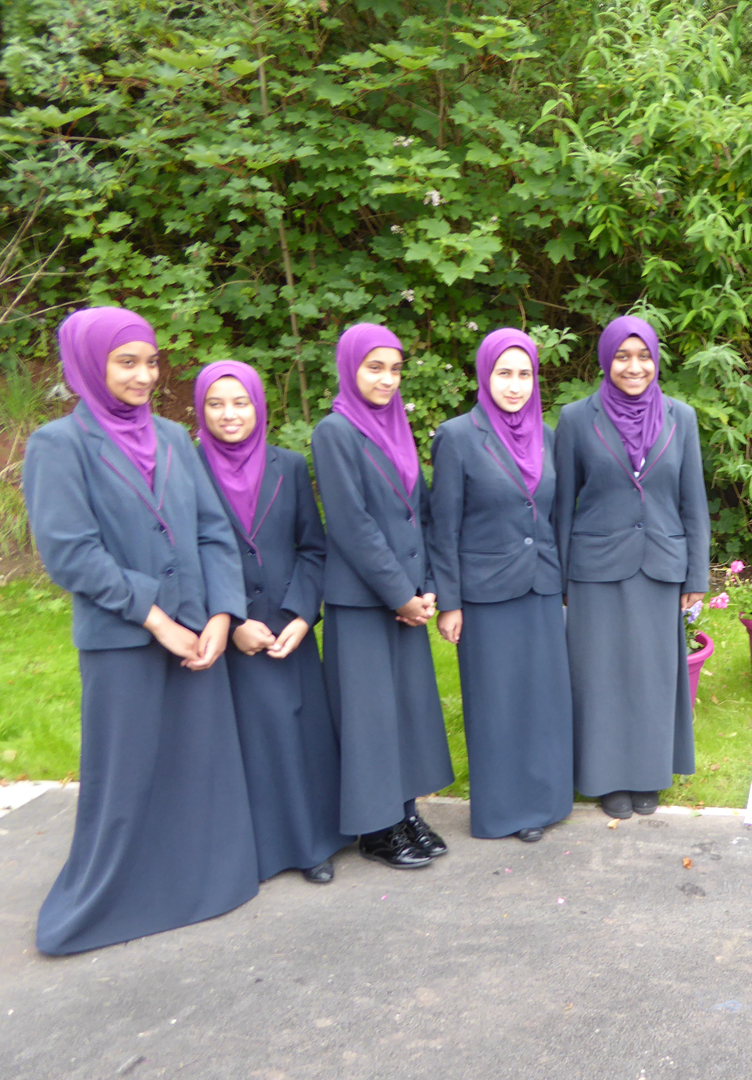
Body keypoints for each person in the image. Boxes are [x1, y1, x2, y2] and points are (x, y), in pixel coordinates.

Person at [22, 307, 258, 954]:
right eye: (127, 362)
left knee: (196, 766)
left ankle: (202, 884)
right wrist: (157, 618)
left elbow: (213, 530)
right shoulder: (57, 446)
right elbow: (72, 552)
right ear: (88, 365)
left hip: (196, 631)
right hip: (125, 639)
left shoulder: (177, 439)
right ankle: (114, 899)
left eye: (151, 361)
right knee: (126, 774)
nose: (145, 375)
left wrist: (218, 614)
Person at [193, 360, 350, 883]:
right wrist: (230, 620)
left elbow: (312, 546)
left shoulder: (288, 465)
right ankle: (258, 850)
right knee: (254, 740)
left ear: (259, 406)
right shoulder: (188, 470)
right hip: (232, 631)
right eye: (216, 404)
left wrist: (304, 614)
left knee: (300, 733)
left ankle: (313, 843)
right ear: (200, 410)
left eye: (240, 402)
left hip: (287, 624)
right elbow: (186, 555)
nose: (229, 414)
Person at [554, 315, 710, 820]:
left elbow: (694, 502)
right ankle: (605, 779)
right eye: (622, 356)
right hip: (595, 568)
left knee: (652, 675)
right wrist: (558, 578)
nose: (633, 366)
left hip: (661, 564)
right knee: (600, 675)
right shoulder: (577, 419)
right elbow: (561, 504)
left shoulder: (680, 417)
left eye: (643, 356)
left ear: (656, 360)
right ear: (605, 359)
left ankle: (647, 775)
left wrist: (697, 574)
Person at [310, 323, 453, 868]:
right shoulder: (335, 431)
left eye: (395, 369)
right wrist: (399, 594)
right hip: (365, 602)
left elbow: (419, 512)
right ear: (350, 368)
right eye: (375, 367)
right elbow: (352, 524)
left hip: (407, 599)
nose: (387, 380)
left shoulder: (397, 428)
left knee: (405, 712)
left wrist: (429, 585)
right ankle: (376, 829)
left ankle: (403, 810)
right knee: (369, 718)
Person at [430, 329, 573, 842]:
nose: (514, 385)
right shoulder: (457, 436)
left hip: (540, 587)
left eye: (524, 374)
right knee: (498, 702)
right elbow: (442, 526)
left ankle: (549, 800)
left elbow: (554, 514)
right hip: (485, 594)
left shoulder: (549, 435)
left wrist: (562, 584)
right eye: (504, 373)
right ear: (484, 374)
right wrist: (449, 602)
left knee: (543, 699)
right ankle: (506, 810)